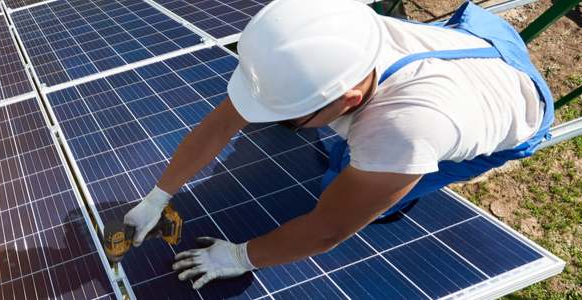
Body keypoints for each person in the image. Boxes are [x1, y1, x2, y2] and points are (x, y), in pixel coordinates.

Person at [121, 0, 556, 289]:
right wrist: (158, 196)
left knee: (351, 193)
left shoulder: (400, 133)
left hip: (513, 108)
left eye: (288, 115)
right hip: (470, 42)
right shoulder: (337, 37)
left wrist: (238, 256)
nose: (272, 121)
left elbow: (327, 231)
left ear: (348, 100)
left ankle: (387, 196)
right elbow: (220, 126)